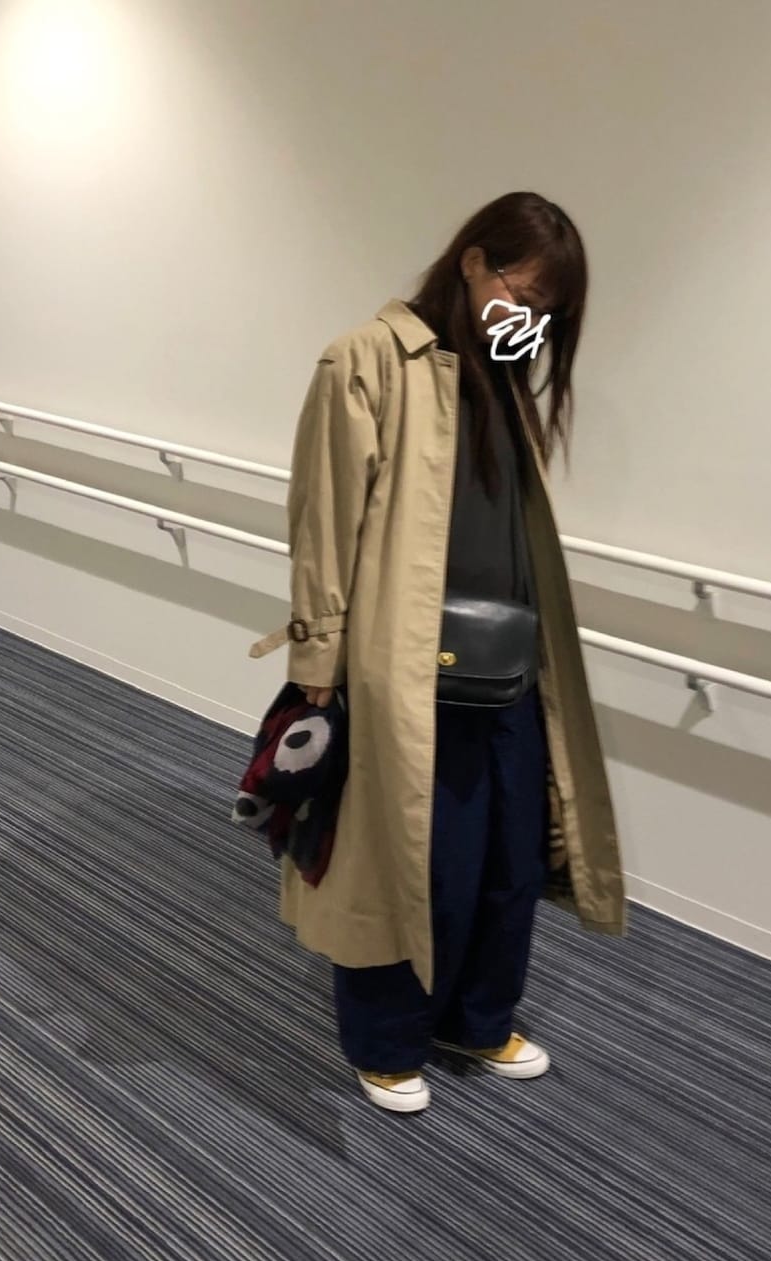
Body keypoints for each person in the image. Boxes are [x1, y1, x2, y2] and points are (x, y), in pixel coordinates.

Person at [249, 191, 626, 1114]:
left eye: (546, 311)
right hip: (402, 663)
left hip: (509, 660)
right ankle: (386, 1041)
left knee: (509, 853)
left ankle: (479, 1017)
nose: (527, 320)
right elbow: (324, 523)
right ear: (472, 261)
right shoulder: (367, 359)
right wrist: (319, 664)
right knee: (404, 857)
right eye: (520, 294)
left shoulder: (502, 374)